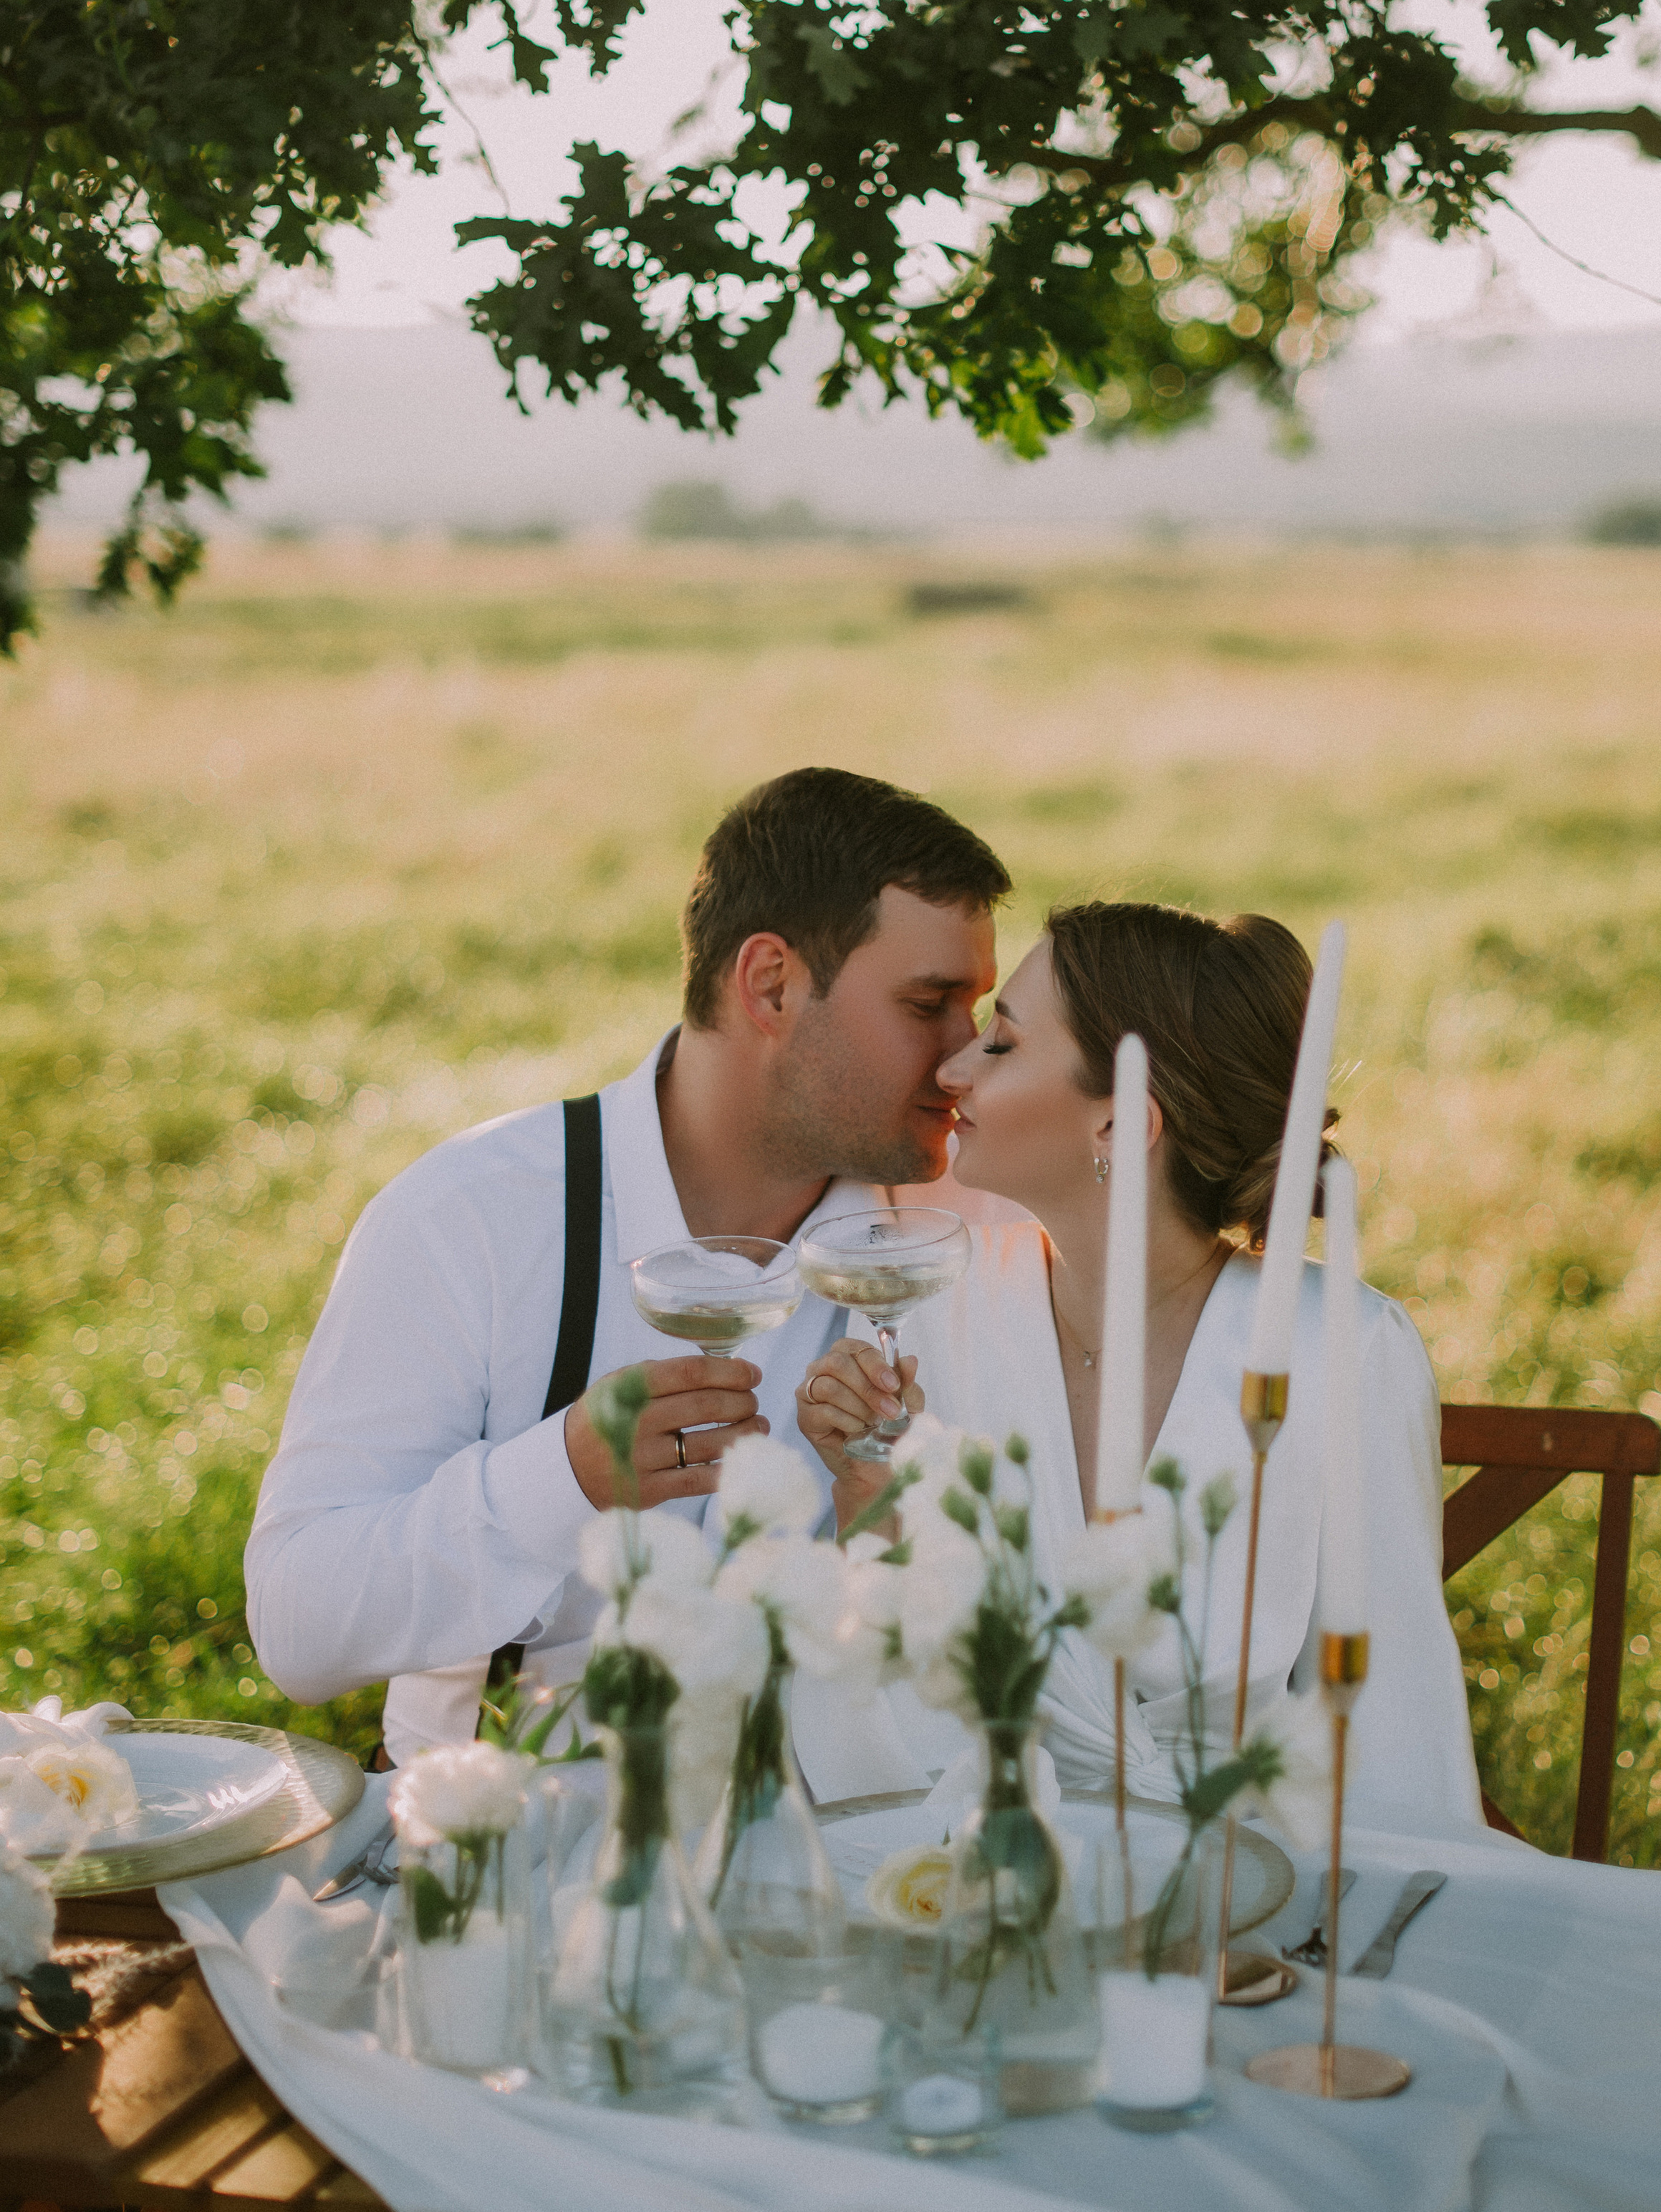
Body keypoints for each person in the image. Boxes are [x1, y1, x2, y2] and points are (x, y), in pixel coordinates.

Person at [245, 769, 1011, 1765]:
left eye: (978, 1010)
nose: (964, 1057)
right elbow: (299, 1627)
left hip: (835, 1834)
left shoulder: (961, 1242)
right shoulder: (472, 1219)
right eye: (930, 1004)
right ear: (771, 984)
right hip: (499, 1833)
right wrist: (561, 1478)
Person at [792, 900, 1485, 1837]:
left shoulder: (1342, 1352)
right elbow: (894, 1689)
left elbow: (1394, 1738)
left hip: (1249, 1885)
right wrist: (870, 1503)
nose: (952, 1069)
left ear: (1119, 1125)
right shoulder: (928, 1313)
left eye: (1002, 1043)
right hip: (983, 1866)